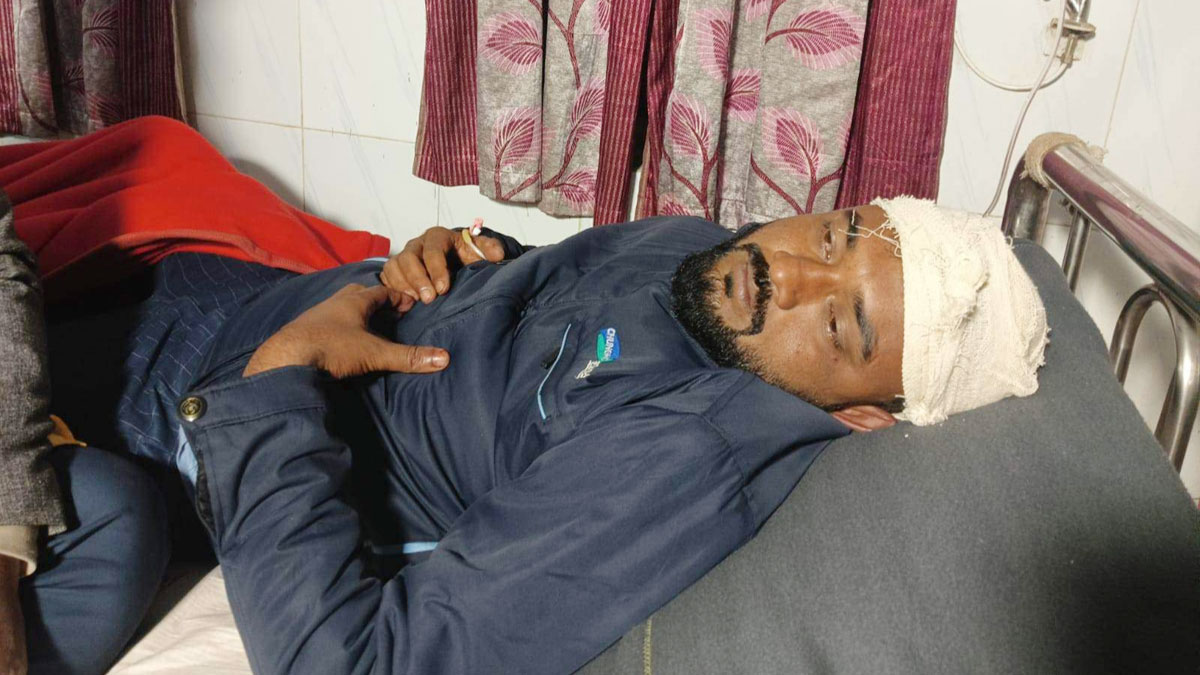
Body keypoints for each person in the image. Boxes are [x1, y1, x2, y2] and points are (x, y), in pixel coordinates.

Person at [0, 118, 1047, 674]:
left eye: (842, 325)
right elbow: (549, 300)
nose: (788, 273)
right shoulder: (702, 254)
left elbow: (358, 664)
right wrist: (461, 253)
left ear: (861, 413)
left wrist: (279, 380)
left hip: (196, 398)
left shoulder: (682, 454)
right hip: (229, 292)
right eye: (833, 235)